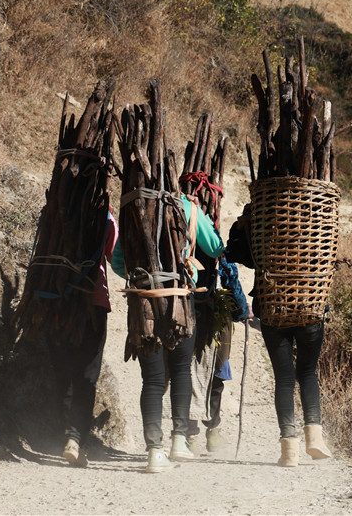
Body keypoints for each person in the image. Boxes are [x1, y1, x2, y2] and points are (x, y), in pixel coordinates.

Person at [112, 194, 224, 472]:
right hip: (180, 302)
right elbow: (214, 248)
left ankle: (154, 451)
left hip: (144, 302)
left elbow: (117, 263)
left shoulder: (131, 203)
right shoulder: (186, 206)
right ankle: (179, 441)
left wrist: (142, 274)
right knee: (182, 370)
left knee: (151, 380)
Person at [224, 205, 331, 467]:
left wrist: (240, 227)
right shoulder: (317, 223)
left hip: (273, 309)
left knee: (284, 377)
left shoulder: (260, 225)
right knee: (307, 372)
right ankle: (314, 437)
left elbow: (234, 253)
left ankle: (289, 450)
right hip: (311, 307)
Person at [46, 210, 118, 468]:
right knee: (87, 375)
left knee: (62, 370)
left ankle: (63, 433)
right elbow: (117, 259)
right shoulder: (106, 218)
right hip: (92, 302)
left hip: (54, 299)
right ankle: (74, 439)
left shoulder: (54, 207)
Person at [187, 257, 249, 454]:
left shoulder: (183, 251)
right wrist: (243, 311)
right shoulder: (218, 254)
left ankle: (190, 435)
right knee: (215, 379)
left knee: (188, 376)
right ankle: (212, 432)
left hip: (188, 315)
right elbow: (235, 296)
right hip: (217, 322)